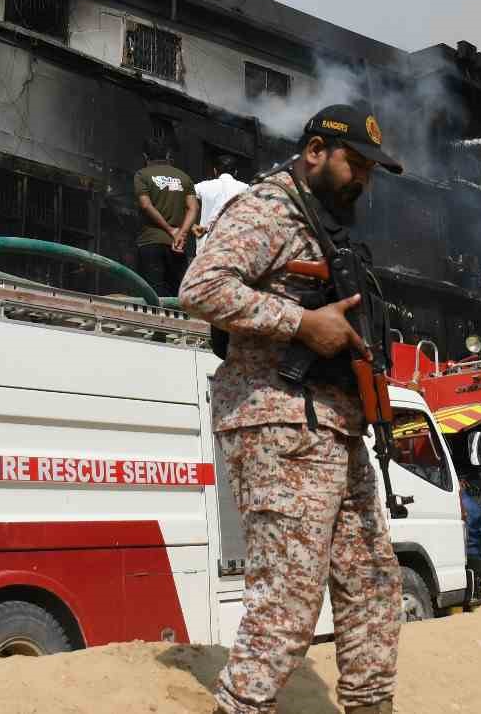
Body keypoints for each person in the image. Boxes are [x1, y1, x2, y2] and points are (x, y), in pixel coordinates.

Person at [179, 103, 404, 714]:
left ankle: (369, 704)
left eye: (372, 170)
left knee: (375, 585)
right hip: (280, 419)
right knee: (287, 603)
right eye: (354, 164)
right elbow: (200, 287)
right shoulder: (268, 209)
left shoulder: (323, 223)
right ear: (314, 153)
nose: (364, 179)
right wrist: (301, 322)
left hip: (335, 426)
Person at [133, 138, 198, 296]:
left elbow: (146, 205)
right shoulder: (184, 177)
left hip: (150, 242)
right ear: (168, 155)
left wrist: (170, 229)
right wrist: (181, 233)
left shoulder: (142, 175)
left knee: (151, 294)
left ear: (145, 156)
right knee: (176, 293)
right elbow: (193, 208)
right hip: (177, 245)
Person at [192, 155, 249, 252]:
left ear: (215, 171)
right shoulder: (246, 189)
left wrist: (192, 225)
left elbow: (185, 201)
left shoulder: (201, 186)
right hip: (234, 244)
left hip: (206, 242)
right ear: (235, 172)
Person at [461, 485, 481, 608]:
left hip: (457, 556)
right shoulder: (474, 506)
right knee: (476, 594)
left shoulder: (449, 504)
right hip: (474, 553)